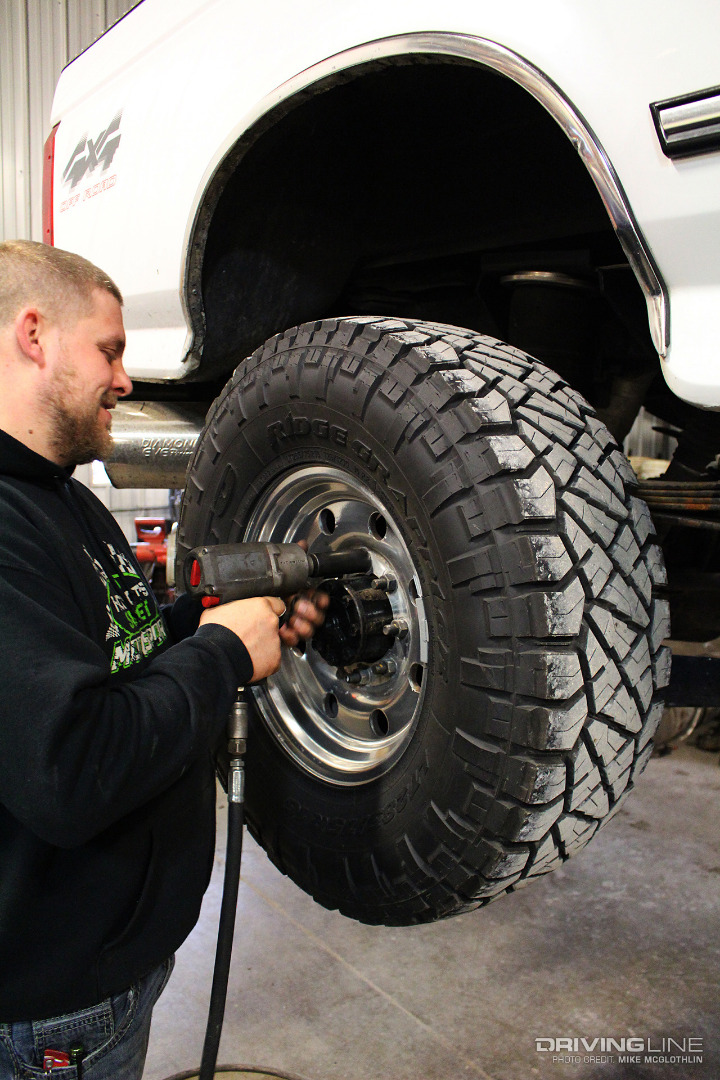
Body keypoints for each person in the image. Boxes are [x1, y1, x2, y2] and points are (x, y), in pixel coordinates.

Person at [0, 240, 326, 1078]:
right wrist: (220, 655)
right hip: (53, 1016)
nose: (125, 379)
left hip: (113, 970)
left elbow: (115, 658)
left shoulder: (65, 498)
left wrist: (205, 621)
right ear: (34, 335)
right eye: (109, 350)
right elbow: (71, 764)